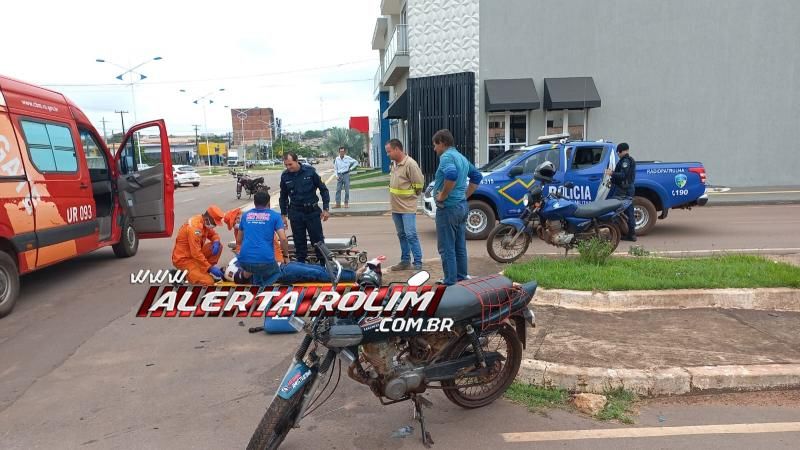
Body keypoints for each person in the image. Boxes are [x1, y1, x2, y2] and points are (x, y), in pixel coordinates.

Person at [431, 129, 482, 285]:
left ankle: (450, 282)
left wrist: (443, 195)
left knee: (447, 248)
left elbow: (451, 175)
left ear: (442, 143)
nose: (434, 149)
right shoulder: (461, 157)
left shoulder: (446, 157)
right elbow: (477, 176)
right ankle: (461, 276)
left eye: (435, 145)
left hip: (448, 209)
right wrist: (465, 195)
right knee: (459, 246)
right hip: (461, 206)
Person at [279, 152, 330, 264]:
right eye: (286, 165)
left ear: (297, 161)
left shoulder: (310, 171)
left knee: (318, 241)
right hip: (296, 213)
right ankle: (301, 266)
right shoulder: (285, 176)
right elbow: (283, 197)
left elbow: (323, 190)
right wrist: (283, 215)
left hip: (312, 212)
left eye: (290, 164)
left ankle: (324, 266)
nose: (288, 167)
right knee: (299, 243)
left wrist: (326, 209)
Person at [386, 139, 425, 270]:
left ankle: (418, 263)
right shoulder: (394, 164)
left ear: (397, 149)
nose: (388, 154)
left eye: (389, 151)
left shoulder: (410, 164)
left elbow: (419, 184)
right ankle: (405, 261)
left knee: (411, 235)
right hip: (396, 208)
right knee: (401, 235)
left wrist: (411, 196)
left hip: (407, 207)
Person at [238, 191, 290, 286]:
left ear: (254, 203)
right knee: (278, 272)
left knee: (257, 270)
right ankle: (262, 289)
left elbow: (239, 239)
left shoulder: (245, 215)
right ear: (268, 203)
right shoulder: (275, 216)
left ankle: (249, 280)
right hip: (265, 260)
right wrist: (286, 256)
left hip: (244, 260)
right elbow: (283, 239)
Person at [172, 205, 225, 285]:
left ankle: (203, 271)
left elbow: (213, 235)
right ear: (208, 218)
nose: (215, 225)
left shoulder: (204, 222)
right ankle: (180, 275)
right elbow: (196, 253)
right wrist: (210, 267)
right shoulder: (195, 228)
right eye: (214, 223)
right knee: (208, 282)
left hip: (194, 256)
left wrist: (216, 241)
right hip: (184, 260)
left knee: (219, 246)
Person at [605, 142, 637, 241]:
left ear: (622, 151)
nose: (618, 155)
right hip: (626, 188)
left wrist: (612, 173)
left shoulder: (625, 161)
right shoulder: (627, 160)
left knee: (616, 209)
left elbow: (623, 175)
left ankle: (614, 232)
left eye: (618, 153)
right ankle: (631, 234)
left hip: (624, 190)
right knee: (628, 211)